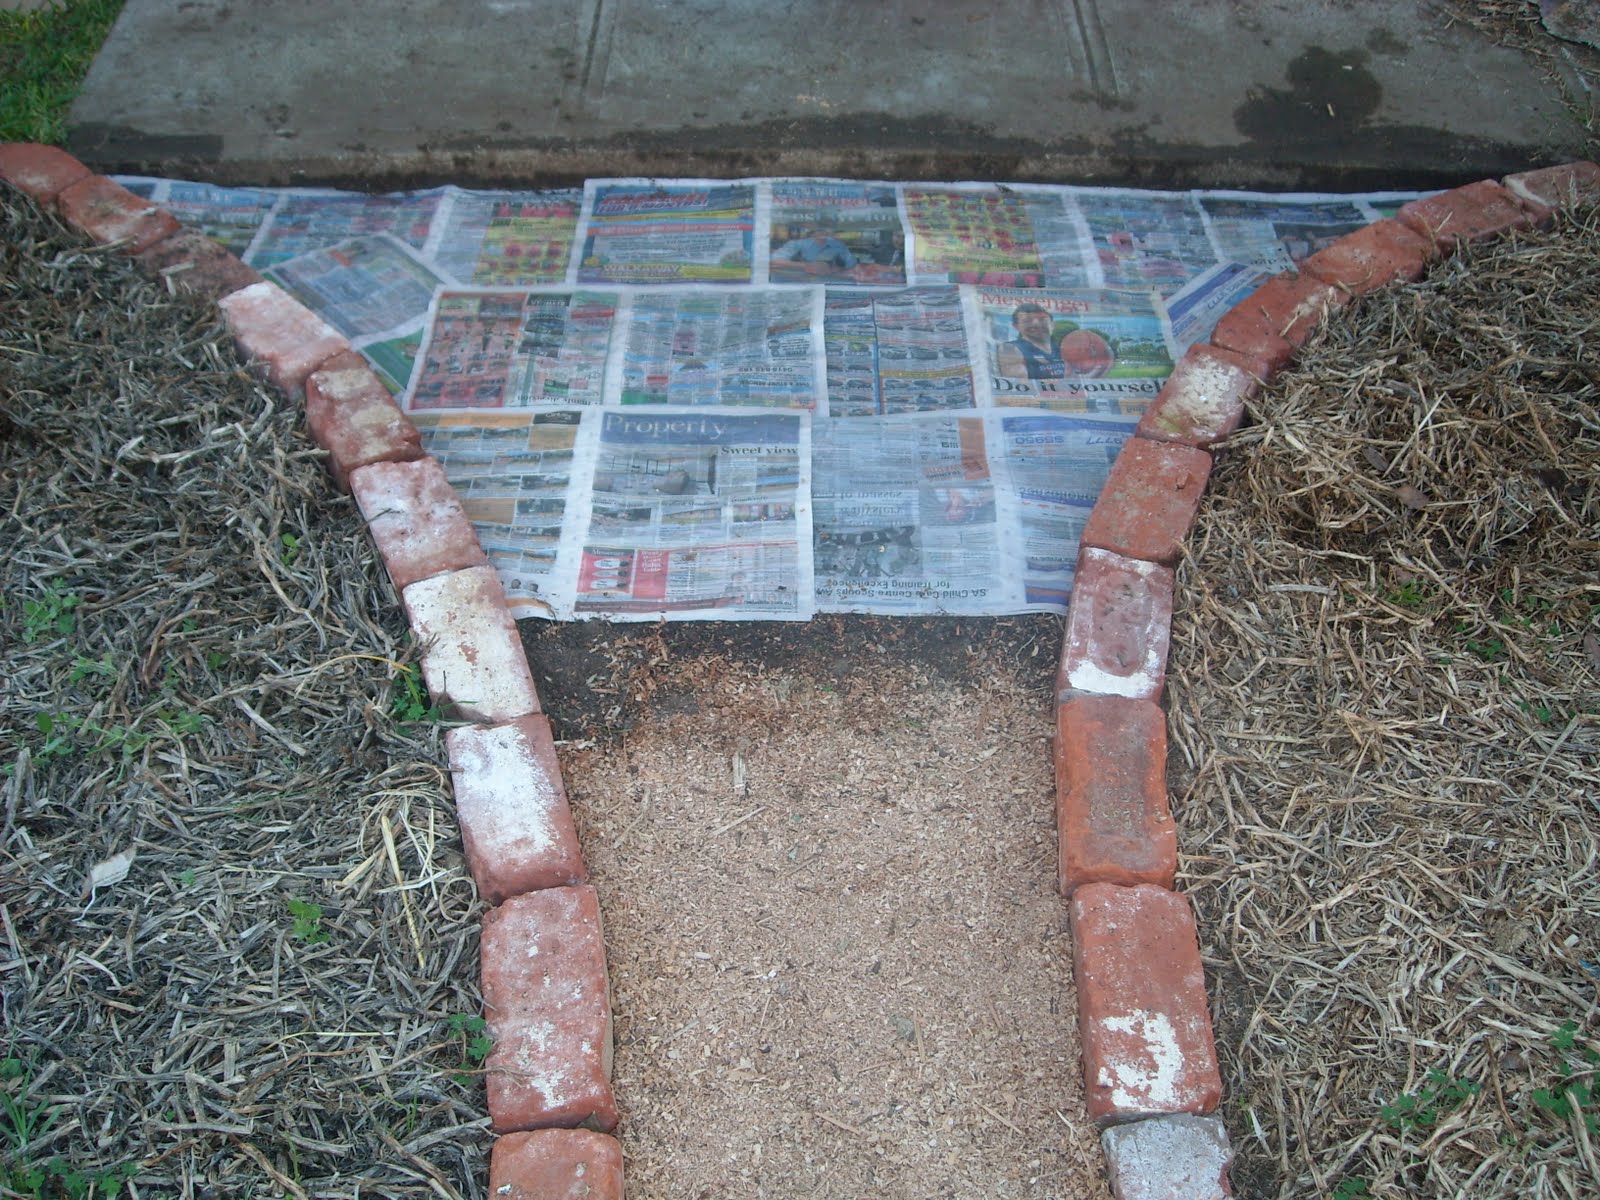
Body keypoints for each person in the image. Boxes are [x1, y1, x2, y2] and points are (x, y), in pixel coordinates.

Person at [995, 303, 1066, 380]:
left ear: (1052, 324)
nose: (1036, 324)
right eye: (1027, 321)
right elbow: (1021, 385)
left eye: (1042, 320)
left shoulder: (1062, 347)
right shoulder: (1009, 348)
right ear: (1016, 326)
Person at [772, 227, 857, 275]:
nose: (823, 234)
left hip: (829, 281)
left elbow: (852, 265)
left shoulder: (837, 244)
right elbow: (774, 260)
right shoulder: (798, 243)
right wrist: (805, 265)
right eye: (819, 230)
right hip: (800, 281)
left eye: (826, 229)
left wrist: (834, 270)